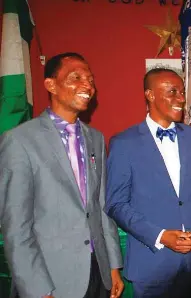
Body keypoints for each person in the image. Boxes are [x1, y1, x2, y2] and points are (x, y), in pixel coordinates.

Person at [0, 52, 124, 298]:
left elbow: (100, 209)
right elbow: (16, 227)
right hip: (50, 278)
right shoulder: (19, 140)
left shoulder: (96, 138)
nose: (88, 85)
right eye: (76, 77)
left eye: (90, 79)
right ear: (50, 85)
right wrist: (37, 289)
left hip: (97, 273)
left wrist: (113, 265)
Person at [105, 68, 191, 298]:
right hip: (151, 264)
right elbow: (116, 204)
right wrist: (161, 236)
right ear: (150, 95)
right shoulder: (123, 143)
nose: (182, 99)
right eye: (172, 91)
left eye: (182, 92)